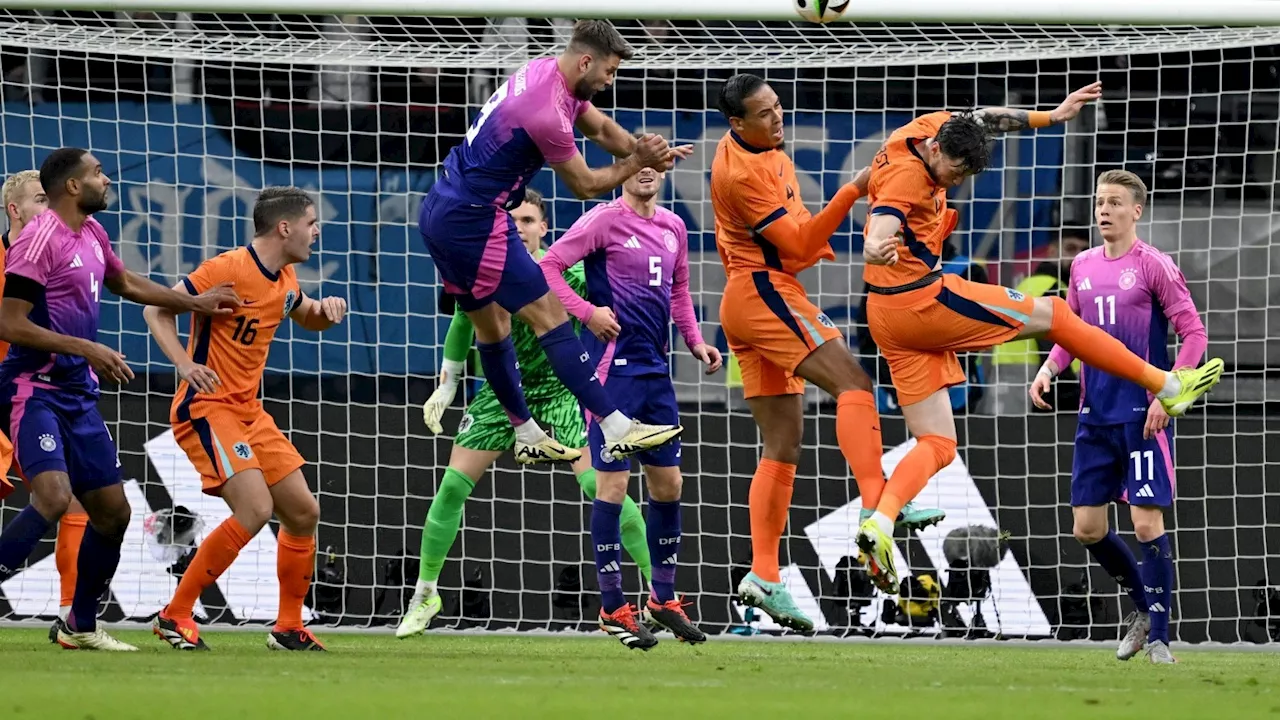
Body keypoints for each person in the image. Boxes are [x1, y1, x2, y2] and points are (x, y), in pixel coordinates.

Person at [857, 84, 1224, 593]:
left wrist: (1050, 117)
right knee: (1053, 310)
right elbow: (881, 224)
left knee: (939, 442)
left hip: (887, 318)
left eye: (967, 174)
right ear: (936, 151)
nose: (957, 180)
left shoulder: (925, 129)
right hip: (920, 301)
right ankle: (1164, 382)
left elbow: (985, 116)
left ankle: (879, 521)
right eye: (955, 172)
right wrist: (876, 246)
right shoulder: (906, 178)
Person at [709, 73, 944, 633]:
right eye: (764, 113)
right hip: (763, 293)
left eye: (778, 106)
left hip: (752, 294)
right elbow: (797, 246)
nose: (778, 117)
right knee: (856, 386)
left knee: (783, 445)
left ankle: (763, 577)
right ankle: (875, 505)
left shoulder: (761, 148)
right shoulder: (741, 171)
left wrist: (815, 243)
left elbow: (797, 246)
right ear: (737, 124)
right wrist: (852, 190)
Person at [419, 20, 692, 467]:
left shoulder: (548, 71)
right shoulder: (545, 112)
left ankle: (526, 432)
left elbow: (603, 129)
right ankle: (616, 426)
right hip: (473, 220)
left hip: (445, 210)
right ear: (586, 61)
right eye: (609, 71)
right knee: (549, 314)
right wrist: (638, 162)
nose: (610, 80)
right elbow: (585, 185)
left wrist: (641, 148)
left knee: (492, 328)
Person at [0, 147, 237, 650]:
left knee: (114, 514)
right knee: (54, 496)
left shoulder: (91, 232)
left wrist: (194, 302)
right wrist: (87, 347)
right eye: (97, 173)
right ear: (71, 186)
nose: (106, 181)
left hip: (76, 393)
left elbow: (124, 281)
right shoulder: (38, 241)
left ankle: (78, 626)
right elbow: (9, 322)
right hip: (31, 389)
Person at [398, 188, 655, 638]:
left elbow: (608, 310)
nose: (520, 228)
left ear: (544, 229)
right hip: (501, 396)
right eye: (513, 220)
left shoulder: (569, 276)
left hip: (559, 394)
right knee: (451, 489)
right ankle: (425, 593)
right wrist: (448, 383)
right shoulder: (486, 270)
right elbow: (463, 323)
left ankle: (659, 592)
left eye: (529, 221)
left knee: (602, 486)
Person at [146, 186, 347, 652]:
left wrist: (327, 312)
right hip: (207, 406)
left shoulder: (285, 276)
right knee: (255, 509)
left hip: (249, 411)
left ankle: (288, 626)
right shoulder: (227, 269)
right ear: (285, 227)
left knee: (303, 511)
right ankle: (175, 615)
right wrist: (184, 364)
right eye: (312, 223)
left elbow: (306, 314)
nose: (317, 232)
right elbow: (156, 309)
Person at [541, 166, 720, 649]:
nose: (645, 171)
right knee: (613, 485)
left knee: (669, 484)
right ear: (623, 169)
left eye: (654, 165)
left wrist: (696, 341)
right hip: (610, 373)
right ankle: (612, 606)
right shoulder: (602, 220)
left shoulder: (673, 226)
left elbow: (678, 290)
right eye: (635, 162)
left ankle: (661, 599)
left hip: (654, 373)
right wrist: (587, 312)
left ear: (663, 172)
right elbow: (548, 266)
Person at [1029, 170, 1203, 665]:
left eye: (1114, 203)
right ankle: (1142, 608)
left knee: (1146, 525)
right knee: (1086, 528)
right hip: (1095, 416)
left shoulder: (1155, 266)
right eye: (1099, 202)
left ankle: (1162, 641)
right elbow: (1072, 332)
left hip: (1143, 417)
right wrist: (1048, 368)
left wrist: (1166, 395)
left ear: (1136, 211)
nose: (1103, 210)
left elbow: (1194, 335)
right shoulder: (1082, 265)